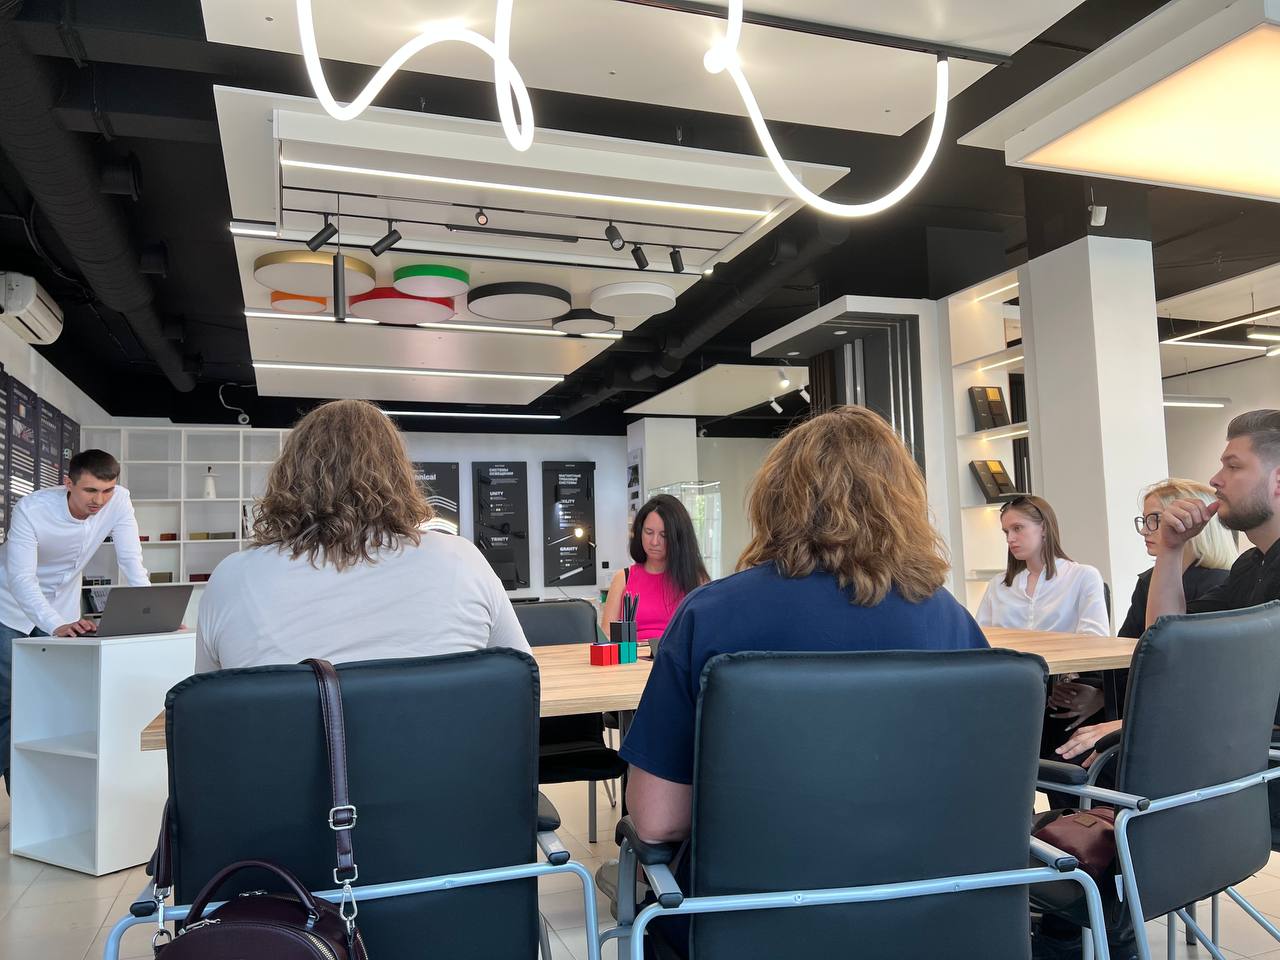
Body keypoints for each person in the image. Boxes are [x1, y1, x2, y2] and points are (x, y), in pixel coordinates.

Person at [620, 405, 988, 855]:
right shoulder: (952, 621)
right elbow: (979, 786)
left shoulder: (709, 615)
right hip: (931, 887)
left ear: (776, 498)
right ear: (903, 500)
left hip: (760, 890)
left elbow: (657, 820)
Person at [195, 399, 529, 671]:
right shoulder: (462, 559)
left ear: (288, 474)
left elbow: (208, 710)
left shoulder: (232, 578)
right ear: (399, 474)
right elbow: (521, 678)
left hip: (286, 739)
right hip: (439, 738)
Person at [1057, 411, 1280, 766]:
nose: (1215, 479)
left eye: (1233, 467)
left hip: (1253, 762)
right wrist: (1172, 549)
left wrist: (1135, 723)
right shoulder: (1250, 566)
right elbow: (1167, 640)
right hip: (1234, 752)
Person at [0, 449, 150, 793]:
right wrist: (54, 624)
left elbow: (131, 559)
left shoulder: (119, 501)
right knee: (9, 700)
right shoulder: (32, 510)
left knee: (52, 700)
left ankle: (32, 794)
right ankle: (20, 794)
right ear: (68, 483)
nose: (100, 500)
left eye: (107, 490)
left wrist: (150, 611)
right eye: (91, 491)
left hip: (62, 610)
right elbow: (21, 578)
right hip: (9, 608)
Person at [1048, 478, 1235, 729]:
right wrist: (1101, 694)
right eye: (1145, 520)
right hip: (1139, 697)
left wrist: (1111, 707)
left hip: (1175, 714)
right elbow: (1128, 649)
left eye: (1155, 519)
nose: (1146, 530)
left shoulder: (1220, 585)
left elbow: (1176, 668)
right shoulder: (1148, 581)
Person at [975, 495, 1110, 636]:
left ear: (1044, 528)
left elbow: (1096, 640)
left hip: (1066, 652)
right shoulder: (997, 585)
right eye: (1006, 532)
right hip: (1005, 652)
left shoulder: (1083, 577)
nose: (1010, 539)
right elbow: (978, 640)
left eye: (1017, 528)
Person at [600, 494, 709, 642]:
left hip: (675, 655)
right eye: (649, 532)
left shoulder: (696, 580)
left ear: (679, 538)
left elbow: (704, 634)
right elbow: (606, 636)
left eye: (664, 535)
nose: (654, 542)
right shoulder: (623, 578)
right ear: (640, 532)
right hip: (631, 654)